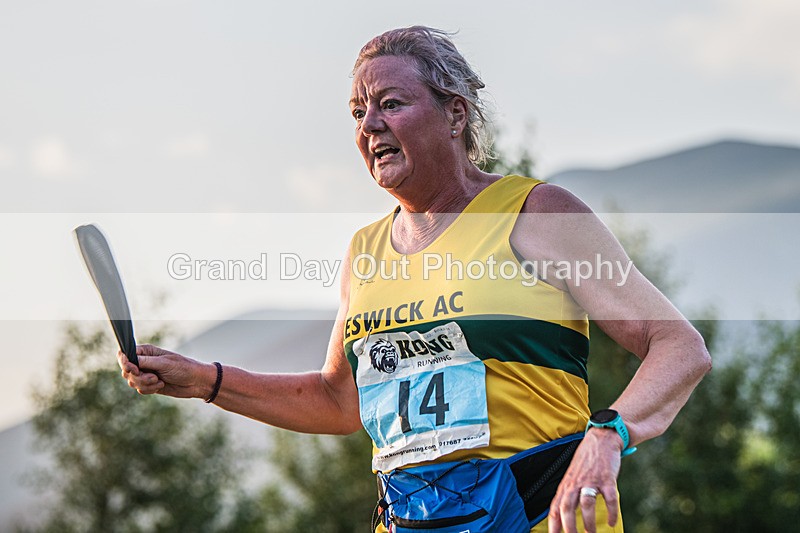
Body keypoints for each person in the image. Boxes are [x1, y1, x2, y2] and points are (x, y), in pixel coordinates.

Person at [119, 26, 711, 533]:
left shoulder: (537, 213)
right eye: (358, 112)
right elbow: (339, 401)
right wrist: (204, 380)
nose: (369, 125)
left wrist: (606, 438)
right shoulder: (364, 253)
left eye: (391, 103)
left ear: (455, 114)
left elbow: (679, 347)